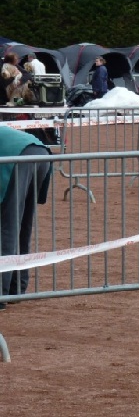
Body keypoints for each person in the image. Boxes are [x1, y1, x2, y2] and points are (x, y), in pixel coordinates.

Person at [0, 126, 53, 311]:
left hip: (17, 158)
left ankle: (1, 292)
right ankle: (16, 288)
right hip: (40, 153)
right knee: (22, 225)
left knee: (7, 228)